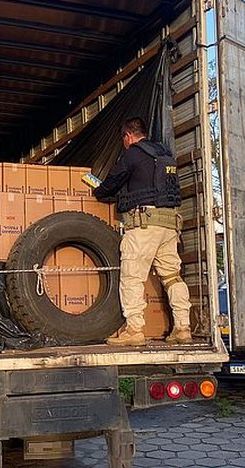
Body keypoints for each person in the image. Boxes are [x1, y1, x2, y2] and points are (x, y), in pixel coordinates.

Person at [93, 117, 192, 346]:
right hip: (169, 226)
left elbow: (114, 181)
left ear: (128, 136)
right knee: (172, 277)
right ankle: (183, 328)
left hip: (144, 225)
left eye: (124, 140)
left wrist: (99, 192)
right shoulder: (165, 155)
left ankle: (134, 331)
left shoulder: (133, 154)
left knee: (132, 276)